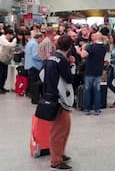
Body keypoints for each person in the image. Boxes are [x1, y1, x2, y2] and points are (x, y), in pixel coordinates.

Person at [41, 35, 74, 170]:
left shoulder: (51, 58)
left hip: (51, 96)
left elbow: (41, 74)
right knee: (59, 131)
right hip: (60, 100)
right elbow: (69, 78)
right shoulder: (62, 61)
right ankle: (56, 160)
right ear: (70, 47)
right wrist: (72, 64)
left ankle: (59, 153)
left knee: (63, 129)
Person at [77, 32, 107, 116]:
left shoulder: (91, 47)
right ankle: (97, 109)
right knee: (97, 90)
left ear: (95, 38)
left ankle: (87, 109)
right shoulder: (104, 47)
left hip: (89, 71)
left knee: (87, 90)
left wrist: (82, 48)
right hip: (98, 72)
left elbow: (83, 55)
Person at [0, 28, 16, 94]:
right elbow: (9, 45)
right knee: (0, 74)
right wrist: (14, 41)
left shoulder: (6, 39)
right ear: (8, 34)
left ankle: (2, 87)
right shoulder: (1, 38)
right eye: (11, 35)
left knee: (4, 74)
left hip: (4, 59)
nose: (11, 37)